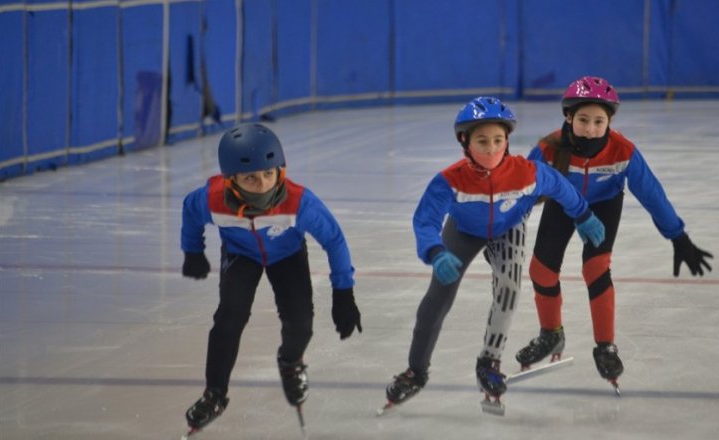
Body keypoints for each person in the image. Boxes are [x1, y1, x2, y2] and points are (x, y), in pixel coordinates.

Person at [383, 97, 606, 410]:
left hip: (509, 227)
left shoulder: (527, 172)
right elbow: (425, 220)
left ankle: (489, 361)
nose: (491, 149)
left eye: (498, 140)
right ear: (465, 141)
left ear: (508, 140)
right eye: (482, 141)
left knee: (509, 287)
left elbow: (560, 186)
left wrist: (583, 215)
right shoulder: (448, 180)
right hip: (464, 230)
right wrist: (435, 252)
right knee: (438, 297)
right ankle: (416, 371)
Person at [514, 76, 713, 391]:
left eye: (598, 121)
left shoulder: (623, 151)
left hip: (604, 205)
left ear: (609, 121)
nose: (591, 128)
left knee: (595, 268)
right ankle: (551, 334)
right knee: (541, 270)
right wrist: (506, 226)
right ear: (568, 117)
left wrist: (678, 236)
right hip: (564, 205)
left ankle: (605, 346)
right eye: (583, 120)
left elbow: (652, 195)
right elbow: (522, 189)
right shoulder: (548, 149)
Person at [179, 122, 362, 432]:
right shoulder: (211, 198)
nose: (263, 184)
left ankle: (290, 362)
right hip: (241, 255)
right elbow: (189, 211)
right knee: (229, 318)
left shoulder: (300, 202)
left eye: (269, 173)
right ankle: (215, 395)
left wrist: (343, 293)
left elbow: (334, 240)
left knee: (300, 323)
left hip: (287, 256)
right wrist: (193, 250)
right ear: (231, 179)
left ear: (281, 169)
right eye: (250, 177)